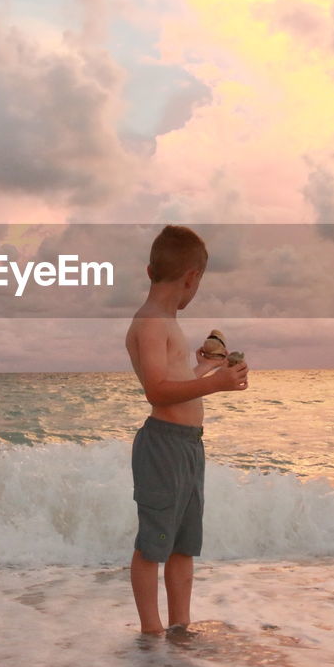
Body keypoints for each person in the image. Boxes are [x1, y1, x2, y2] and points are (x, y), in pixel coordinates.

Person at [124, 224, 249, 635]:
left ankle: (180, 628)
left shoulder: (164, 323)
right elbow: (157, 391)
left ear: (149, 270)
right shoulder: (150, 324)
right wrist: (215, 384)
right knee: (153, 544)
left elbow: (177, 385)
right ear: (192, 278)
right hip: (162, 445)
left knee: (182, 545)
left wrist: (207, 369)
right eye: (199, 283)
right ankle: (152, 631)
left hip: (187, 445)